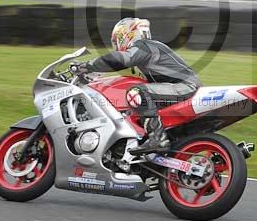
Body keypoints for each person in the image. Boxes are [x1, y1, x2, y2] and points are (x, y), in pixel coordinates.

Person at [78, 17, 201, 154]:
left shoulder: (145, 46)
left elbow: (122, 59)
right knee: (138, 97)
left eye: (117, 39)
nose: (116, 44)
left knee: (137, 93)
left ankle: (157, 139)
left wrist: (88, 65)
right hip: (182, 85)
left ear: (127, 35)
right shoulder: (151, 47)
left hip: (184, 85)